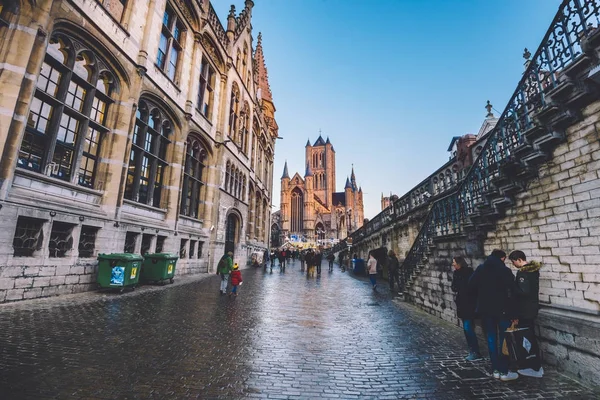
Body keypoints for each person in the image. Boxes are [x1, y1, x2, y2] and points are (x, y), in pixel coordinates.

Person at [468, 249, 518, 381]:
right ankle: (504, 371)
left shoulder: (481, 269)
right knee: (503, 340)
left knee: (491, 339)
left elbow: (471, 285)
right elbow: (512, 292)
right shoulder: (504, 270)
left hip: (485, 310)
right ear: (502, 258)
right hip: (502, 310)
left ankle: (495, 369)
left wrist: (481, 296)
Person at [508, 250, 544, 378]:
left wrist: (512, 286)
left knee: (527, 338)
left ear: (518, 259)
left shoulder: (523, 272)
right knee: (529, 336)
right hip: (531, 308)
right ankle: (533, 366)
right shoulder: (533, 271)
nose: (514, 265)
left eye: (513, 262)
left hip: (525, 310)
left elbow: (524, 292)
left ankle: (534, 367)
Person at [451, 256, 482, 361]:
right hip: (462, 304)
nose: (453, 264)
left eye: (454, 262)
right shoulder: (457, 273)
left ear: (459, 263)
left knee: (468, 328)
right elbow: (454, 287)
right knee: (467, 328)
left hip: (469, 304)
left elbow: (469, 288)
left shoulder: (469, 273)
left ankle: (475, 352)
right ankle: (473, 350)